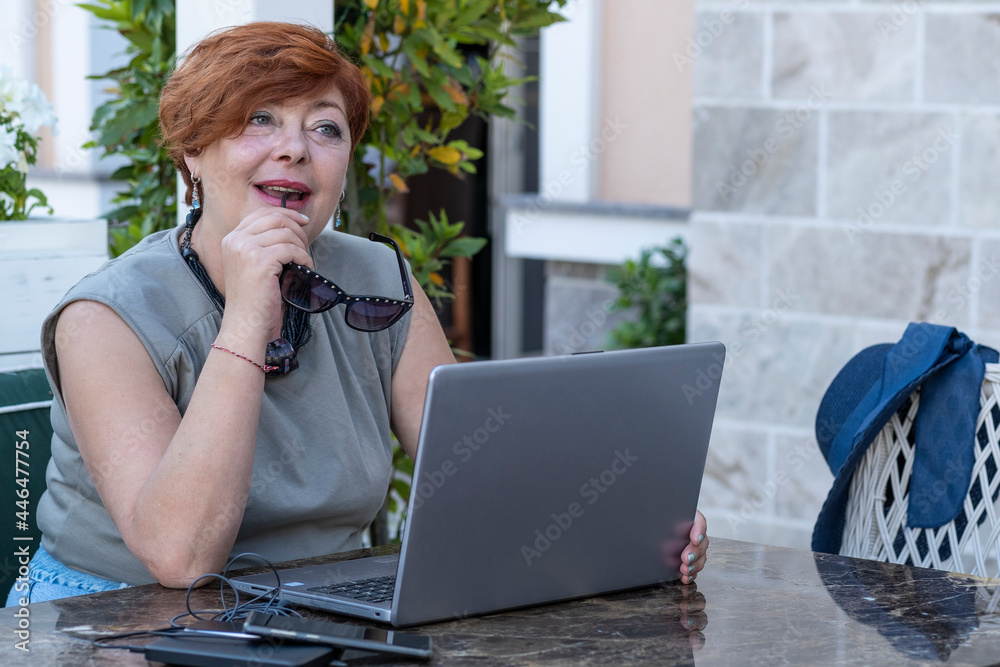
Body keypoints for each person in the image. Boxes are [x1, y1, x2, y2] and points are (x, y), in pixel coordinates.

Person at [7, 21, 708, 606]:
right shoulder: (106, 318)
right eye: (259, 120)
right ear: (194, 150)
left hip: (328, 598)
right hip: (117, 614)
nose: (295, 148)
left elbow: (476, 474)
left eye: (326, 129)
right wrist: (250, 315)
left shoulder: (378, 274)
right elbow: (181, 556)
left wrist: (624, 528)